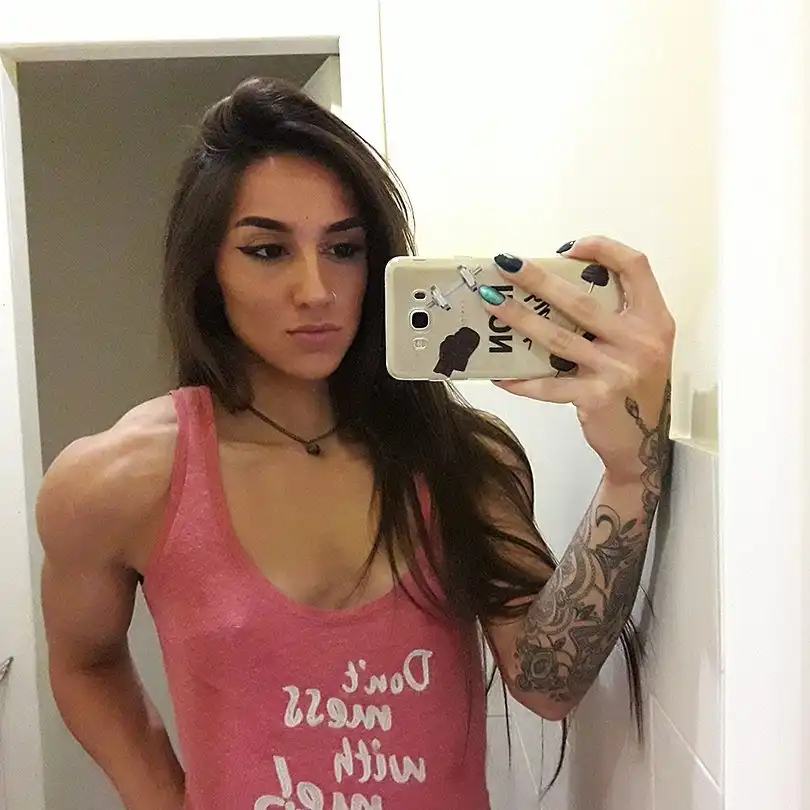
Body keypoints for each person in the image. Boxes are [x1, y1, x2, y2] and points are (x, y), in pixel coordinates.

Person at [36, 77, 674, 810]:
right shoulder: (121, 480)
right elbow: (85, 662)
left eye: (343, 249)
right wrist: (158, 796)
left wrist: (630, 471)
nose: (316, 289)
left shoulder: (459, 460)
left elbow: (548, 684)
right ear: (208, 268)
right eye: (267, 250)